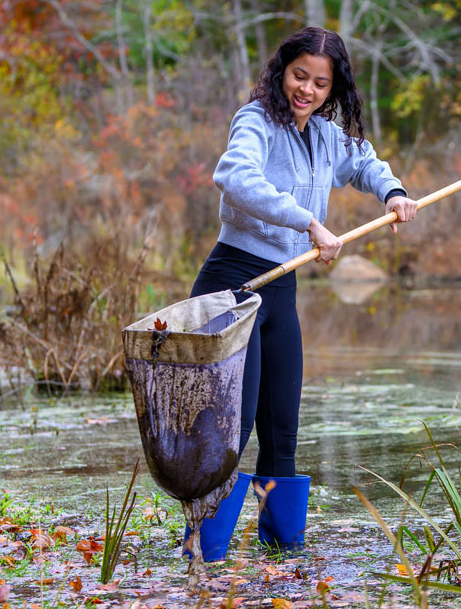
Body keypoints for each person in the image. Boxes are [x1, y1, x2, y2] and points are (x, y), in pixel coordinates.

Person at [187, 27, 417, 549]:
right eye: (299, 76)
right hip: (235, 285)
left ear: (332, 89)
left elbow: (362, 162)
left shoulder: (326, 135)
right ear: (280, 71)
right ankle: (203, 556)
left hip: (281, 292)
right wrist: (306, 222)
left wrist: (393, 192)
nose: (307, 90)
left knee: (282, 435)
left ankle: (282, 560)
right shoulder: (255, 122)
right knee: (229, 435)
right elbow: (236, 176)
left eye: (320, 83)